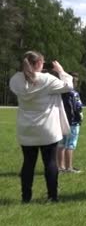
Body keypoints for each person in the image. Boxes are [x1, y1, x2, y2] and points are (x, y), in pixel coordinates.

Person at [9, 51, 73, 203]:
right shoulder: (47, 79)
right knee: (50, 163)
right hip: (47, 128)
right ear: (38, 63)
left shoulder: (16, 80)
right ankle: (52, 196)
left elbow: (27, 80)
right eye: (42, 63)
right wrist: (61, 71)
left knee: (28, 163)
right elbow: (68, 86)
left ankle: (26, 197)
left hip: (26, 128)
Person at [56, 72, 83, 173]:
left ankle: (60, 167)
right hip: (73, 122)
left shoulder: (60, 94)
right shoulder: (74, 94)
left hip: (61, 121)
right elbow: (78, 107)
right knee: (70, 145)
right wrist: (79, 118)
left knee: (61, 144)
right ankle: (69, 167)